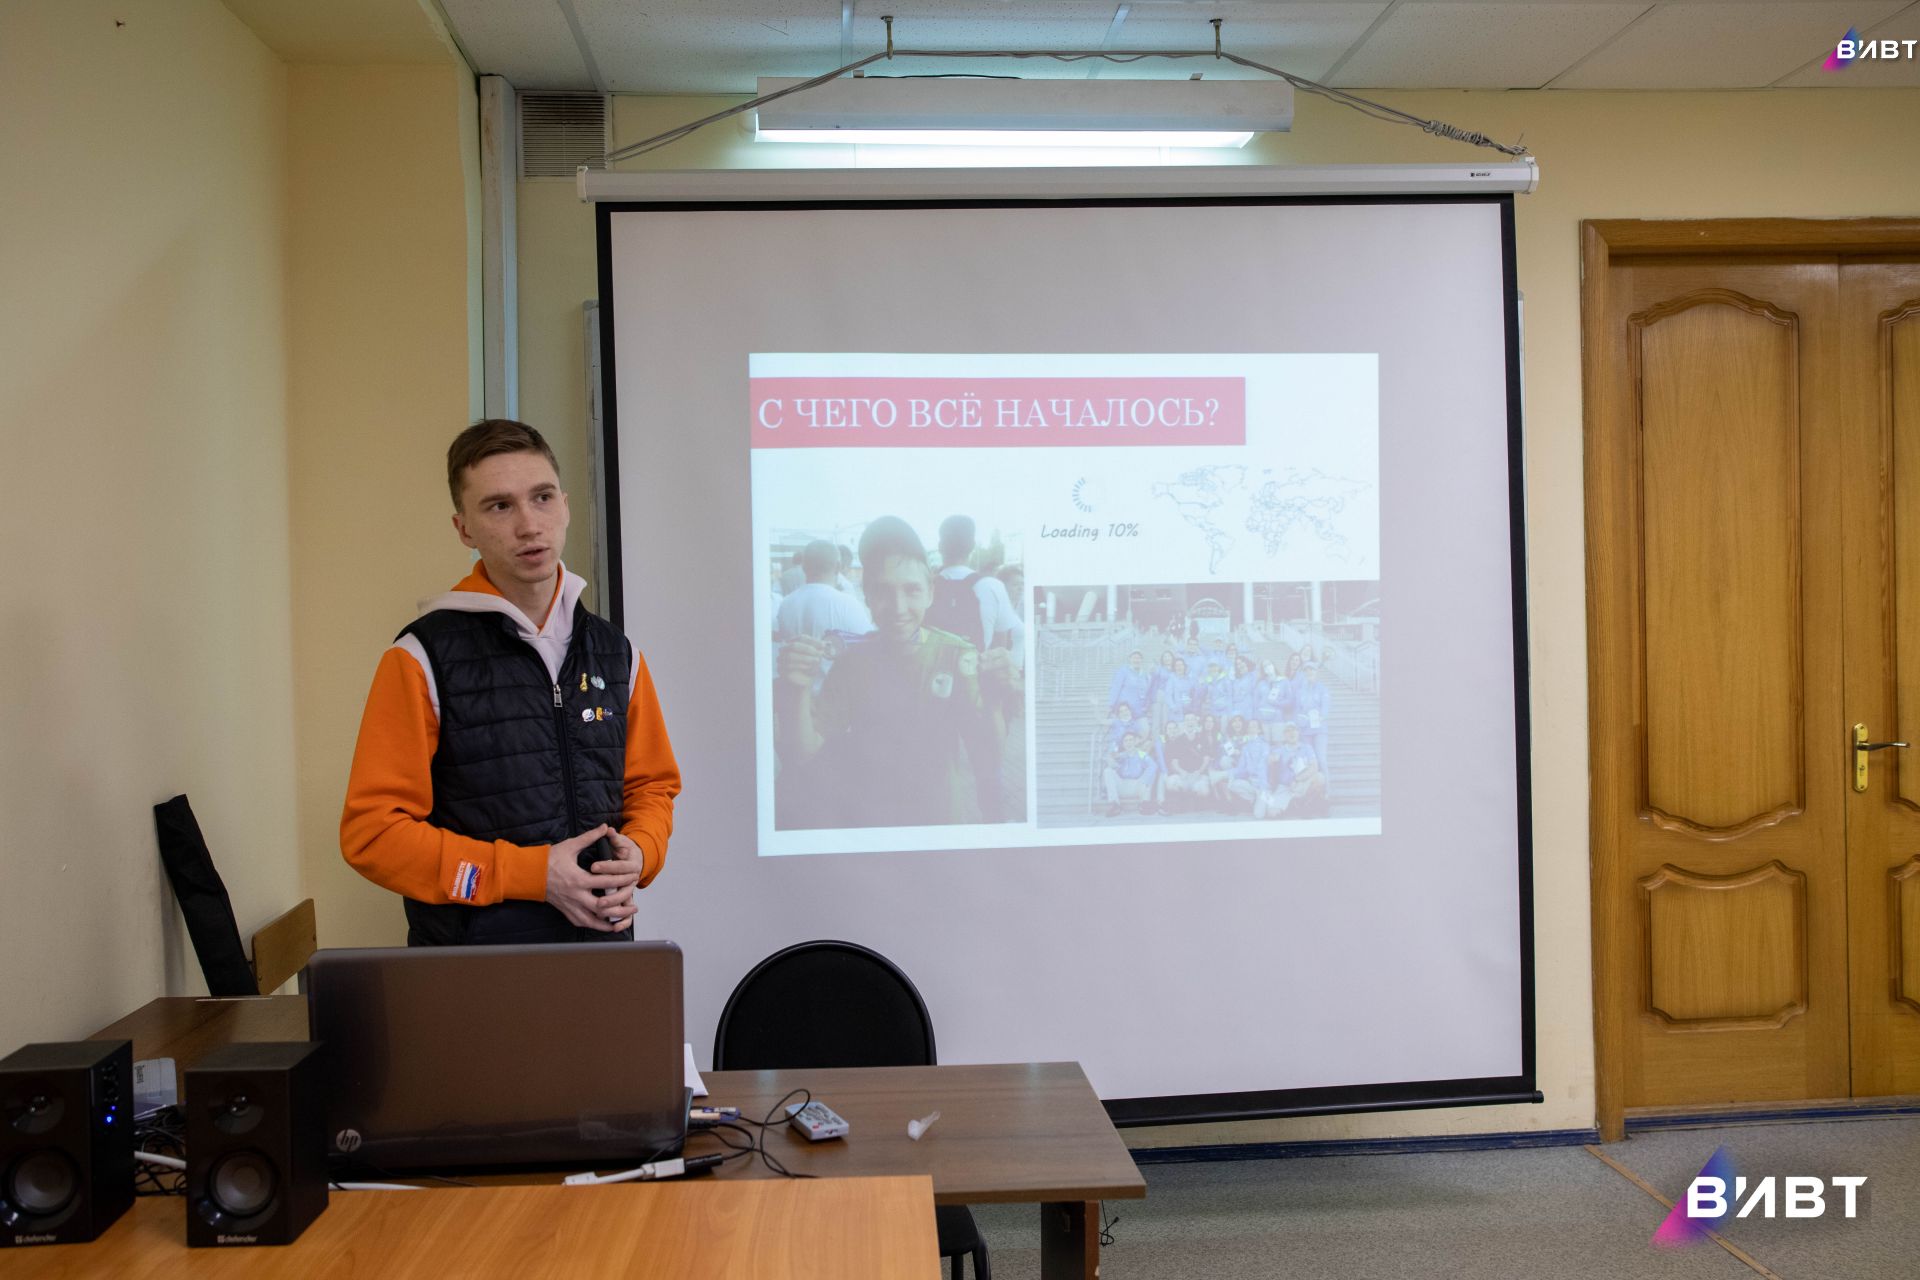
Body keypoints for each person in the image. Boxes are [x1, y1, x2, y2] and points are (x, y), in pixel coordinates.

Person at [340, 419, 681, 946]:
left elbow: (652, 787)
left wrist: (641, 850)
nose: (529, 525)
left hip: (604, 956)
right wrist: (529, 875)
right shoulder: (420, 658)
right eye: (499, 506)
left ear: (564, 506)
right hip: (473, 968)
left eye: (542, 498)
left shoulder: (618, 653)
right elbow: (374, 835)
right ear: (464, 530)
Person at [775, 516, 1017, 827]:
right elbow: (806, 753)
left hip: (937, 823)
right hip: (868, 822)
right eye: (883, 592)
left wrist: (994, 703)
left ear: (930, 592)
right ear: (867, 596)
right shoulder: (852, 662)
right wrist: (798, 689)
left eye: (912, 590)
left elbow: (988, 755)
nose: (899, 608)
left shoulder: (955, 656)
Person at [929, 514, 1018, 653]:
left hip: (929, 666)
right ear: (972, 546)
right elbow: (1000, 647)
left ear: (940, 546)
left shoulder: (923, 587)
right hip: (974, 665)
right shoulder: (993, 586)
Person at [775, 539, 873, 640]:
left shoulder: (785, 604)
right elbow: (867, 642)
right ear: (838, 567)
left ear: (803, 567)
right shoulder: (849, 605)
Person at [1260, 721, 1328, 818]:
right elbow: (1271, 759)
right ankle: (1294, 805)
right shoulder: (1280, 749)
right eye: (1288, 731)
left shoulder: (1306, 748)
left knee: (1320, 778)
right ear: (1284, 735)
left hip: (1302, 783)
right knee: (1271, 813)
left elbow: (1314, 767)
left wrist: (1297, 779)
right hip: (1285, 787)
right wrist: (1272, 759)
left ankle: (1304, 803)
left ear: (1298, 733)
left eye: (1294, 730)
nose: (1291, 733)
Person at [1293, 661, 1333, 793]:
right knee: (1309, 761)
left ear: (1317, 672)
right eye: (1307, 670)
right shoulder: (1300, 691)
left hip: (1319, 729)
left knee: (1321, 758)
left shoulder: (1322, 689)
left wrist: (1321, 717)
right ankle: (1311, 790)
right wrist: (1299, 721)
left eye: (1312, 670)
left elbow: (1326, 707)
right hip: (1305, 730)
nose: (1309, 672)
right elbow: (1297, 710)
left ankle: (1327, 790)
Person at [1102, 730, 1159, 818]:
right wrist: (1112, 760)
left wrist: (1143, 780)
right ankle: (1115, 805)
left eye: (1131, 740)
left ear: (1135, 741)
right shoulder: (1121, 755)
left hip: (1137, 785)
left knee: (1151, 772)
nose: (1128, 743)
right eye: (1126, 741)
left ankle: (1144, 803)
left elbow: (1153, 765)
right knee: (1107, 771)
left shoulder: (1141, 754)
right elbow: (1112, 764)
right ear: (1123, 744)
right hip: (1122, 786)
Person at [1161, 714, 1210, 812]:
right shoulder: (1178, 740)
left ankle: (1194, 801)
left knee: (1204, 790)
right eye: (1187, 720)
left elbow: (1206, 759)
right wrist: (1181, 772)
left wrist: (1199, 772)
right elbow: (1174, 762)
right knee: (1170, 783)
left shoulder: (1203, 738)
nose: (1190, 722)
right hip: (1183, 776)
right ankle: (1183, 799)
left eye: (1192, 719)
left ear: (1196, 722)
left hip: (1198, 775)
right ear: (1184, 723)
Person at [1107, 650, 1152, 718]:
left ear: (1141, 660)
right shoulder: (1123, 671)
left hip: (1140, 710)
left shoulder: (1144, 674)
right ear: (1130, 659)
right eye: (1134, 658)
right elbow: (1115, 688)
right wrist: (1111, 705)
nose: (1136, 660)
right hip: (1125, 710)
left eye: (1138, 658)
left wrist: (1147, 706)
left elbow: (1148, 692)